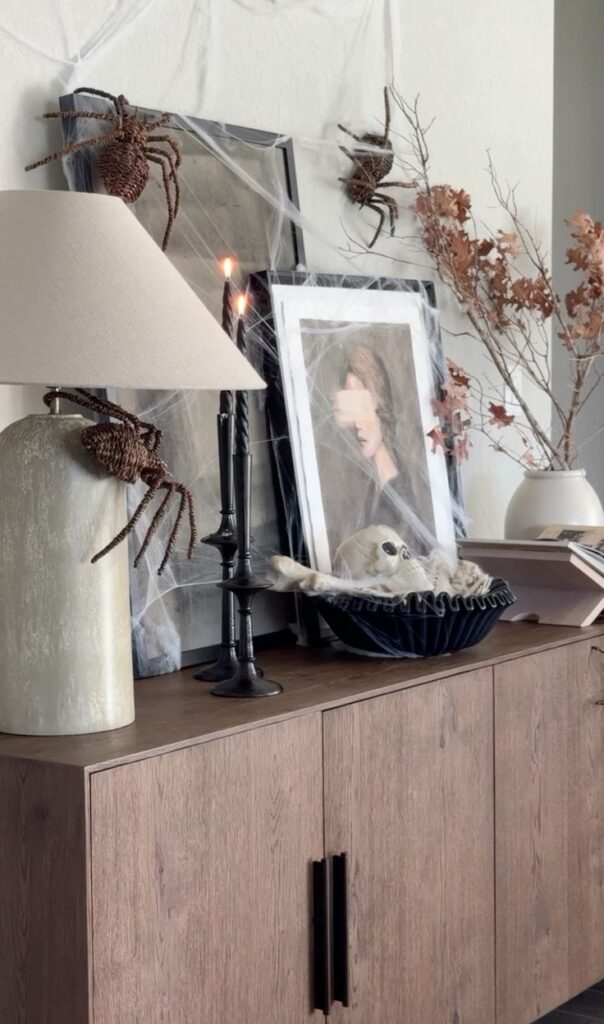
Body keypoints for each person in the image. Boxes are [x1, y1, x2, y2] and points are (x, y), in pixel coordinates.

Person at [332, 343, 432, 546]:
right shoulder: (372, 484)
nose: (358, 425)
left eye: (364, 408)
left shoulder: (399, 490)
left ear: (380, 405)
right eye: (352, 412)